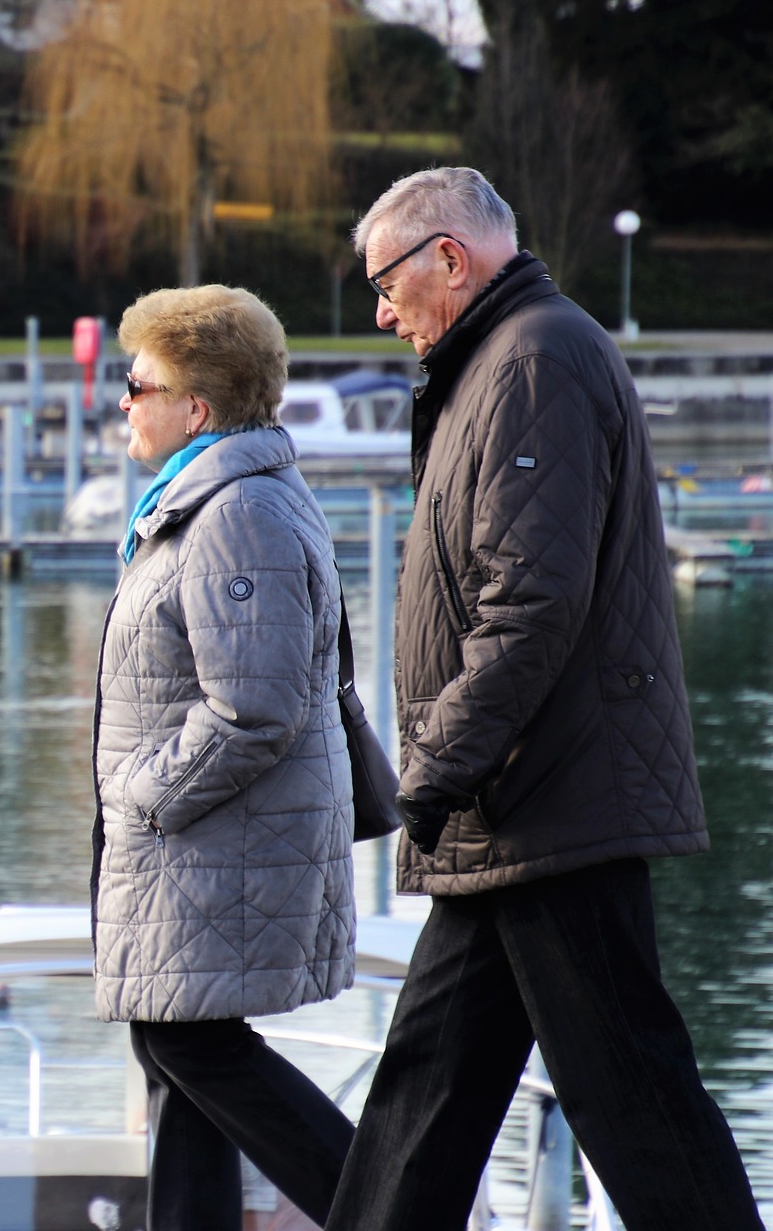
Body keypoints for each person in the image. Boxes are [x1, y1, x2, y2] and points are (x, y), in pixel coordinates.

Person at [324, 166, 763, 1231]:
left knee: (638, 1104)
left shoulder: (535, 362)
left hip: (549, 802)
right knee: (423, 1097)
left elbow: (531, 603)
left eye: (386, 284)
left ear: (449, 258)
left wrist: (431, 772)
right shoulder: (503, 361)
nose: (382, 313)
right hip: (516, 804)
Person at [92, 284, 357, 1231]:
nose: (123, 401)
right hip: (197, 853)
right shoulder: (203, 501)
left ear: (195, 408)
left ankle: (387, 1209)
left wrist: (143, 798)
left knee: (193, 1050)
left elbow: (253, 709)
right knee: (175, 1053)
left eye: (138, 384)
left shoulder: (235, 514)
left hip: (206, 849)